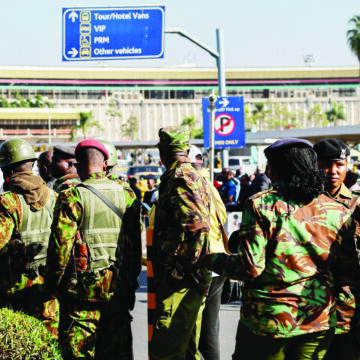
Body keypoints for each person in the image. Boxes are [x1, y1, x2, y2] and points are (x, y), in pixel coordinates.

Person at [200, 138, 360, 360]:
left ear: (279, 169)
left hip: (269, 322)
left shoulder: (260, 205)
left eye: (269, 166)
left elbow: (250, 268)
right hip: (318, 321)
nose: (267, 172)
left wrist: (211, 260)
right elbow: (348, 271)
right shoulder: (338, 209)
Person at [45, 139, 142, 359]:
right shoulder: (127, 194)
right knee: (117, 352)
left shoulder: (71, 196)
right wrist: (130, 281)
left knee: (79, 352)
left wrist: (53, 284)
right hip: (118, 289)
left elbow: (60, 248)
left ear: (77, 165)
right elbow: (135, 246)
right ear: (106, 163)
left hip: (82, 294)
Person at [149, 126, 211, 360]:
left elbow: (197, 228)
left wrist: (180, 272)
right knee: (186, 351)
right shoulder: (191, 175)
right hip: (187, 277)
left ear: (163, 153)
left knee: (166, 351)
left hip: (182, 280)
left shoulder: (180, 178)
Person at [0, 139, 58, 338]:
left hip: (16, 294)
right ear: (32, 164)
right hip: (48, 292)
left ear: (7, 172)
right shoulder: (53, 197)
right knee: (49, 345)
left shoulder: (8, 202)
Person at [314, 138, 360, 360]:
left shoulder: (356, 206)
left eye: (339, 164)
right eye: (325, 164)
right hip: (308, 307)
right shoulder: (302, 204)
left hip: (347, 310)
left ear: (347, 166)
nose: (332, 171)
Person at [188, 145, 228, 360]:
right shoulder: (209, 186)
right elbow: (223, 216)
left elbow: (156, 221)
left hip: (198, 263)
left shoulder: (184, 184)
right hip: (217, 263)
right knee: (210, 328)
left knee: (189, 328)